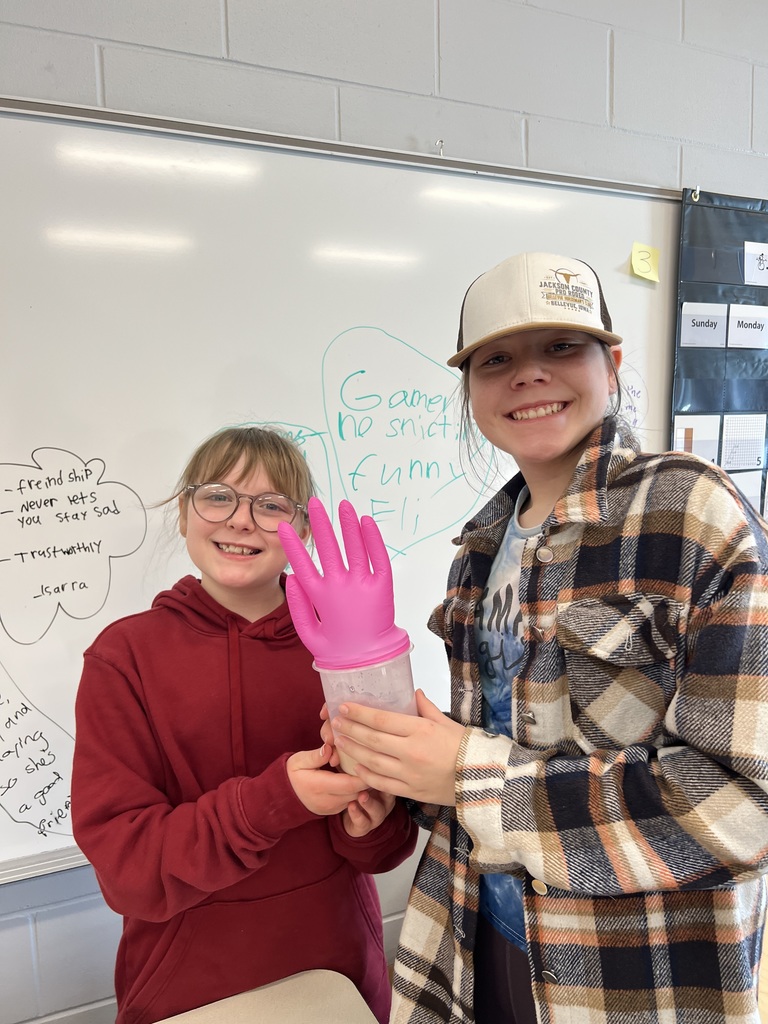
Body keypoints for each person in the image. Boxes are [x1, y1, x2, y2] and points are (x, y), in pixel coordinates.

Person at [328, 252, 768, 1024]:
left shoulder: (689, 511)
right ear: (470, 391)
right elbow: (498, 747)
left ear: (613, 364)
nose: (528, 375)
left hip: (632, 975)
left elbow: (743, 807)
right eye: (496, 359)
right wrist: (403, 788)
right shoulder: (479, 547)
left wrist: (464, 773)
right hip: (477, 940)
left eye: (561, 347)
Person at [71, 425, 417, 1024]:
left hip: (336, 981)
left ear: (302, 532)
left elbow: (389, 845)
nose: (239, 520)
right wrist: (273, 801)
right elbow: (128, 871)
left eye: (270, 505)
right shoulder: (124, 657)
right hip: (187, 995)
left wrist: (371, 822)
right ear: (184, 513)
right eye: (216, 496)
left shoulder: (344, 652)